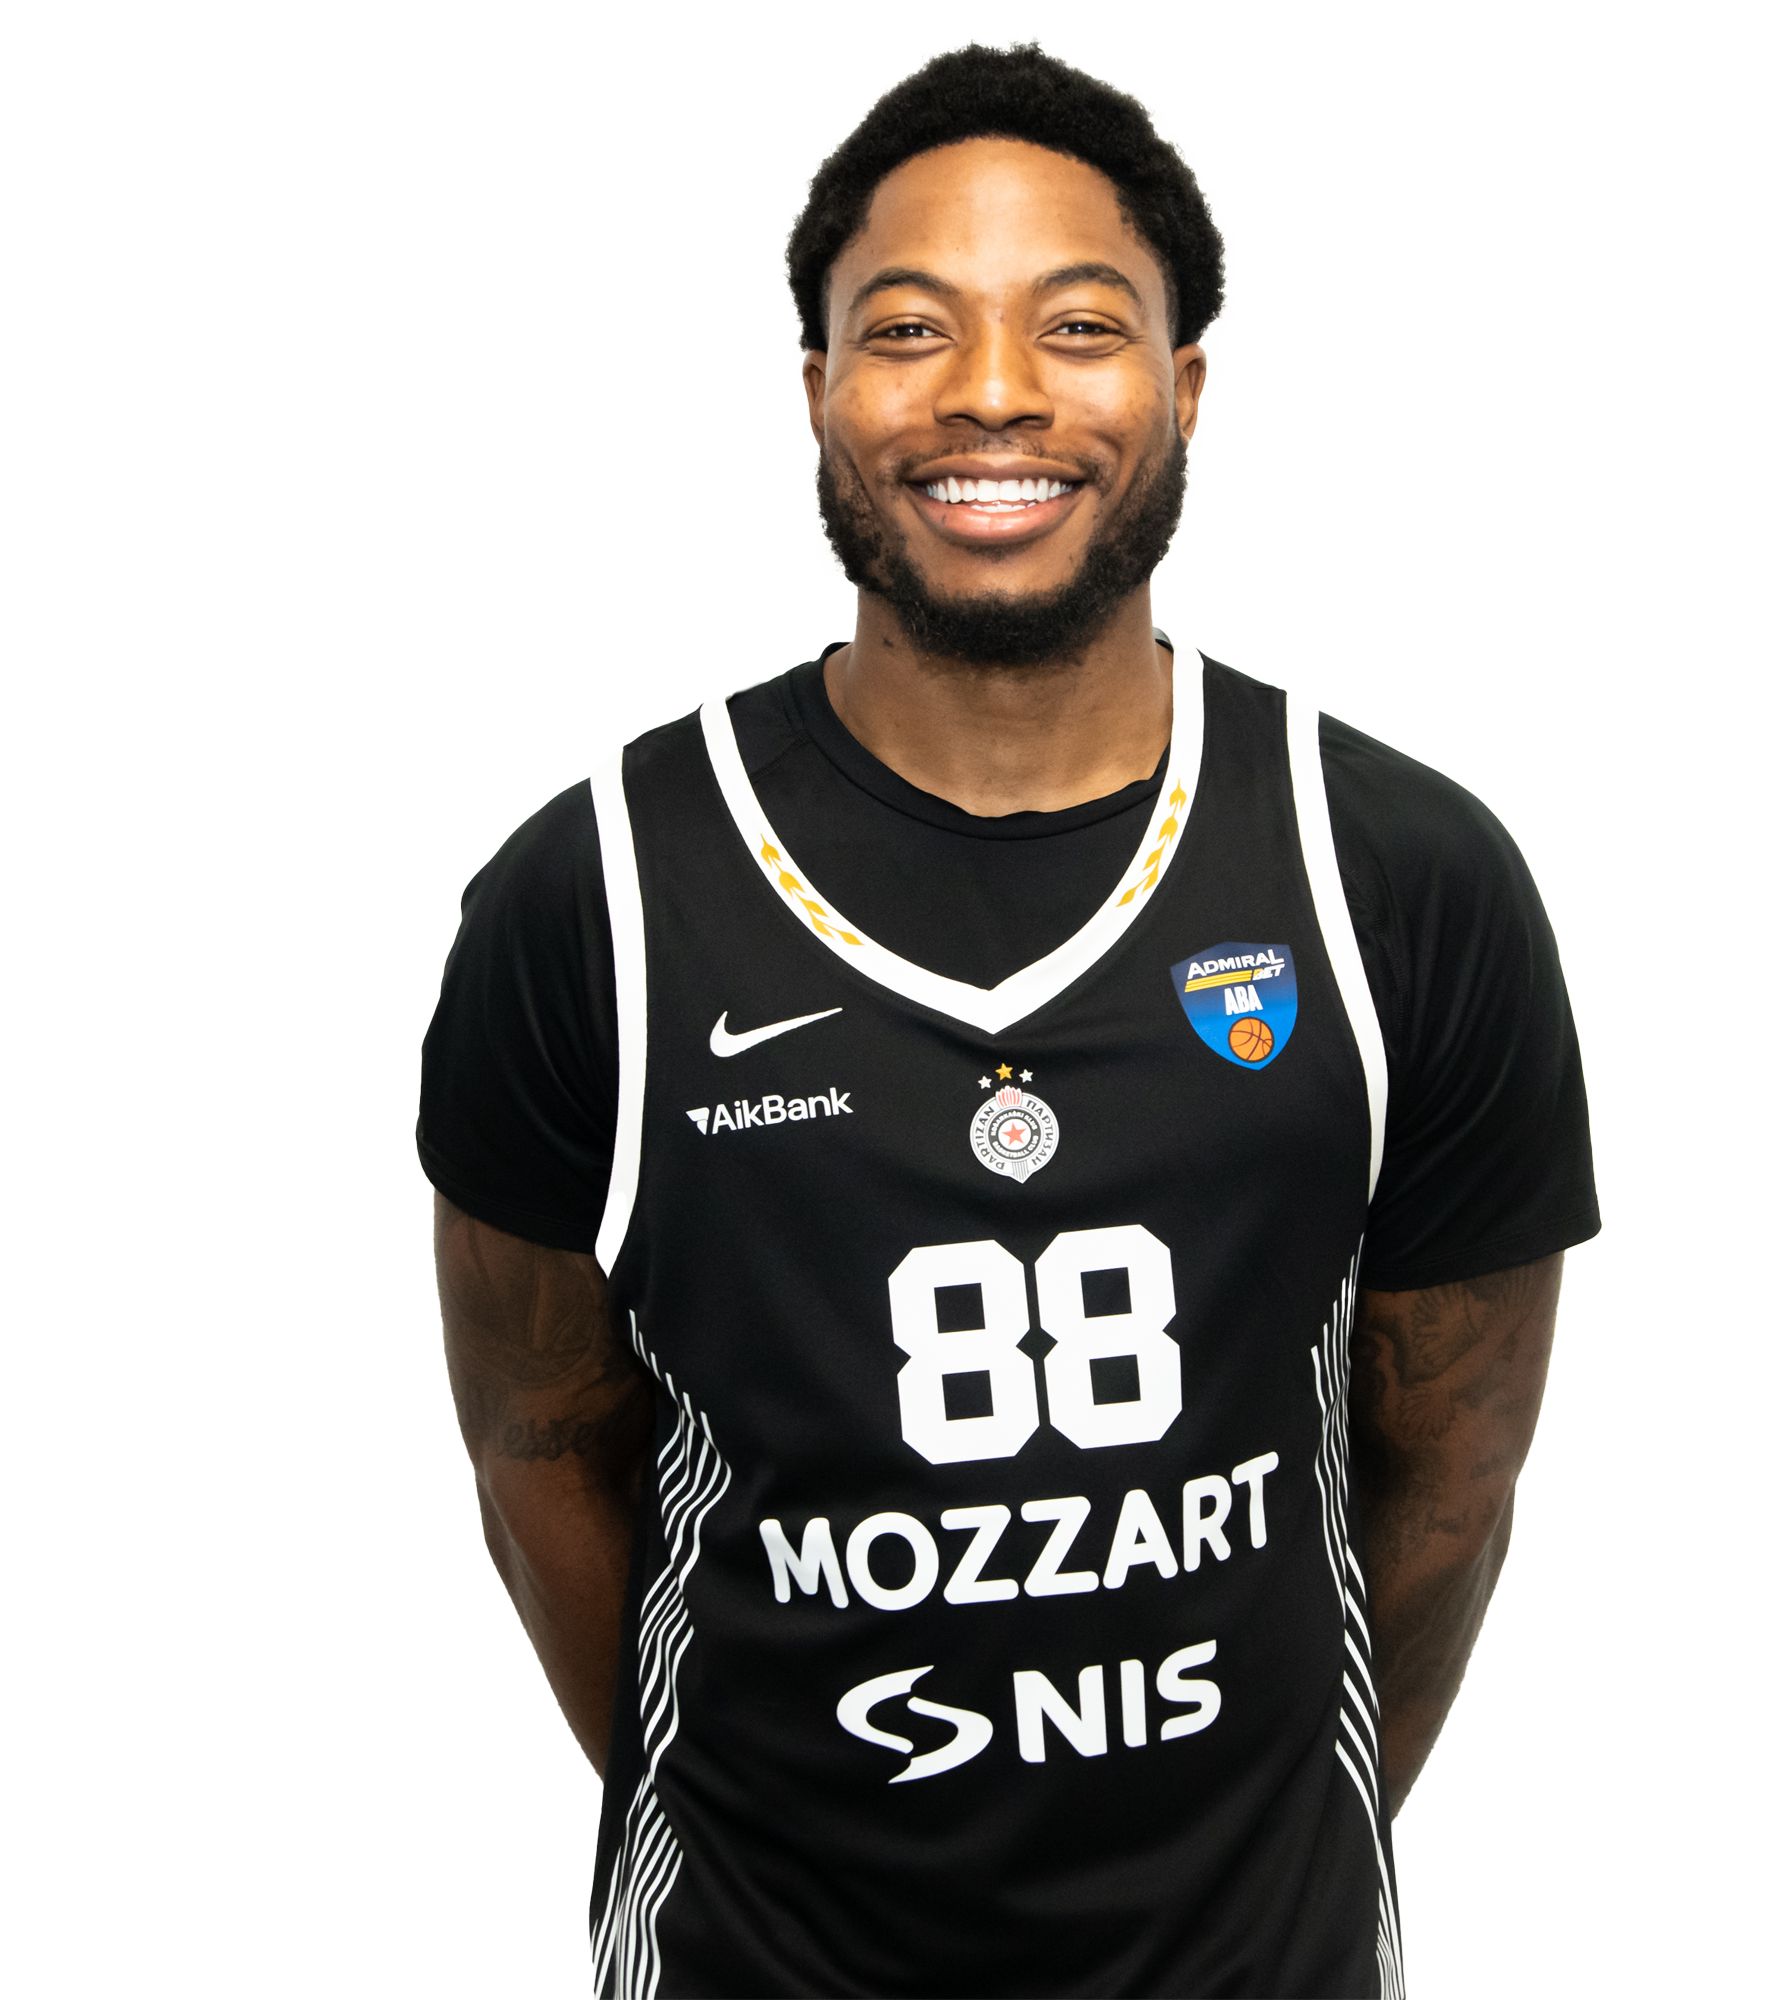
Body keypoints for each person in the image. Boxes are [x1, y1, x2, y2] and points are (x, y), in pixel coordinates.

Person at [419, 38, 1599, 2000]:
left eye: (1077, 325)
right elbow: (538, 1450)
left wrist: (1247, 1887)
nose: (991, 391)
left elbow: (1452, 1480)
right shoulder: (594, 898)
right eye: (907, 327)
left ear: (1182, 385)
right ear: (818, 386)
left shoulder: (1398, 877)